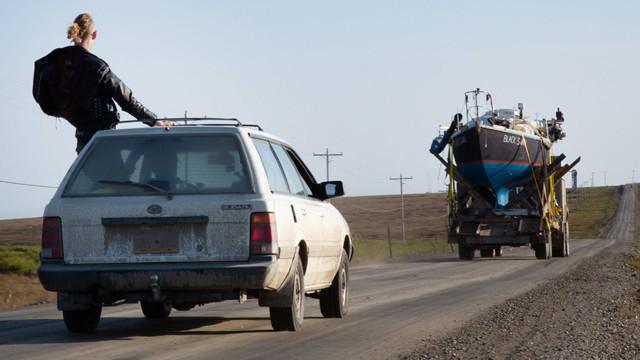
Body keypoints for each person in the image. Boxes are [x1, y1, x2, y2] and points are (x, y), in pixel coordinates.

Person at [33, 13, 173, 153]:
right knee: (117, 174)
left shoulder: (55, 62)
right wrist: (154, 121)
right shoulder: (97, 67)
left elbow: (43, 95)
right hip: (103, 141)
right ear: (94, 34)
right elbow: (127, 100)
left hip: (82, 144)